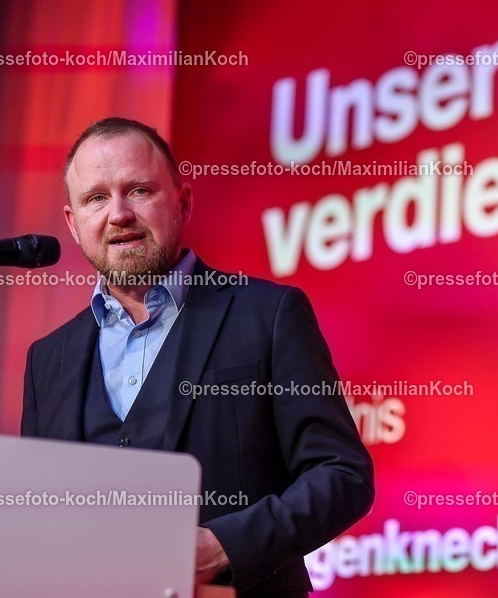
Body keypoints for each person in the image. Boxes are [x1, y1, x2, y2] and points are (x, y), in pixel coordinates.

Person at [21, 117, 374, 597]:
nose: (118, 213)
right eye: (96, 198)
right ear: (73, 222)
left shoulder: (267, 315)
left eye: (139, 190)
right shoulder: (47, 360)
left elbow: (342, 474)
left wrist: (224, 545)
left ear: (184, 201)